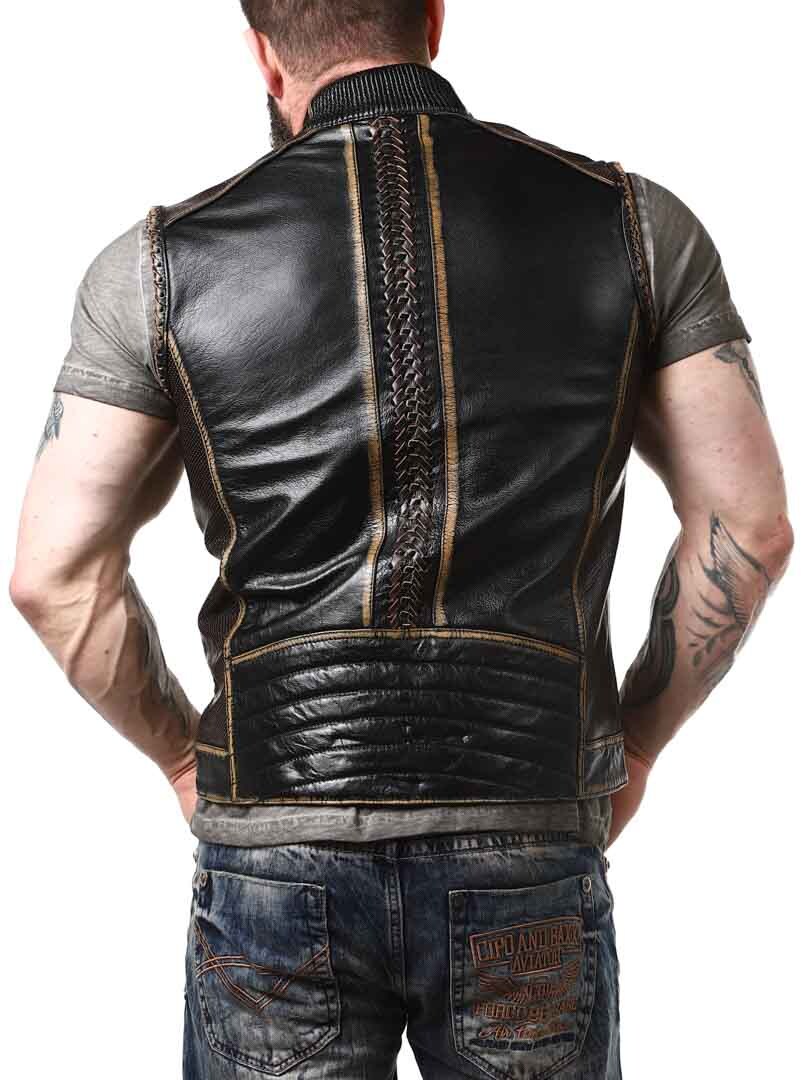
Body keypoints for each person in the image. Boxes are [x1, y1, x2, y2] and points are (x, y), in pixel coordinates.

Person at [9, 1, 794, 1077]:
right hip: (527, 823)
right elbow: (748, 527)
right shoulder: (632, 226)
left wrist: (188, 759)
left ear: (263, 54)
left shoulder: (156, 266)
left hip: (276, 848)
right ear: (432, 19)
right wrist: (640, 742)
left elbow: (53, 575)